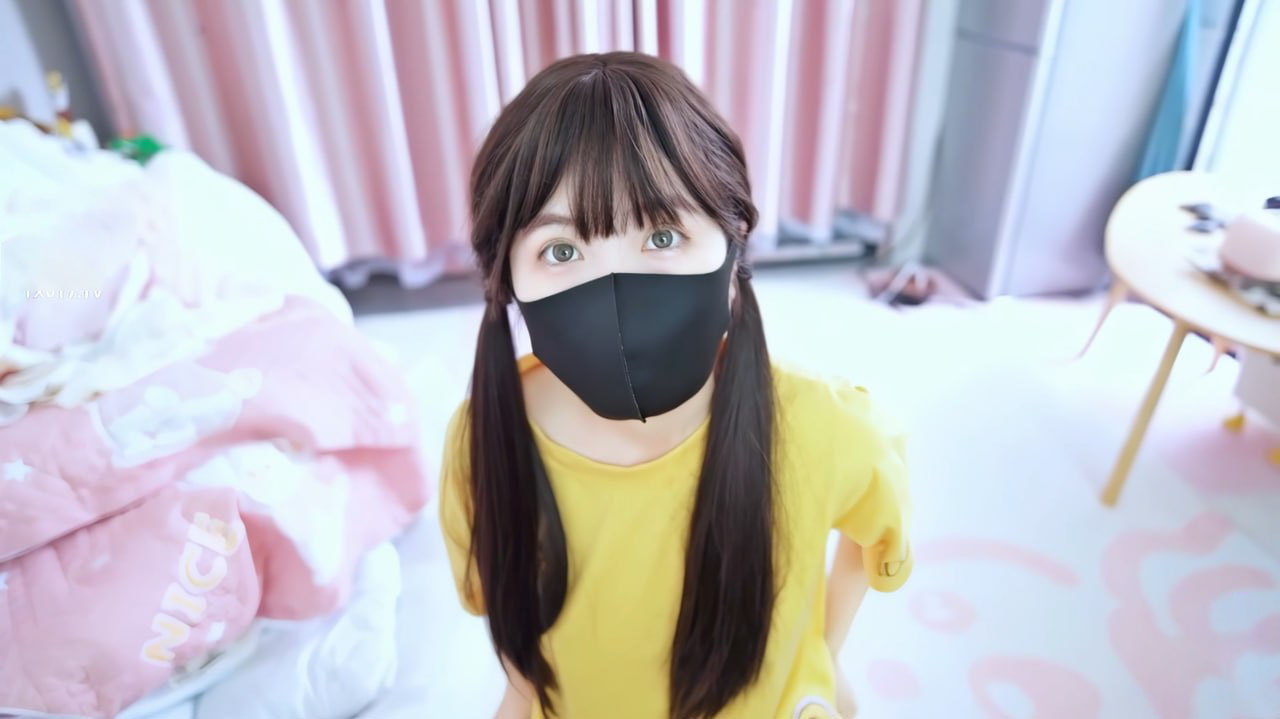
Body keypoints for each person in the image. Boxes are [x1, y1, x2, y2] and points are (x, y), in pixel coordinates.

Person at [438, 51, 912, 719]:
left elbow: (875, 536)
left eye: (662, 235)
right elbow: (519, 650)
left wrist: (824, 660)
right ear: (507, 279)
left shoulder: (827, 427)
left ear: (732, 243)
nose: (616, 292)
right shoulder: (483, 445)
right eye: (562, 251)